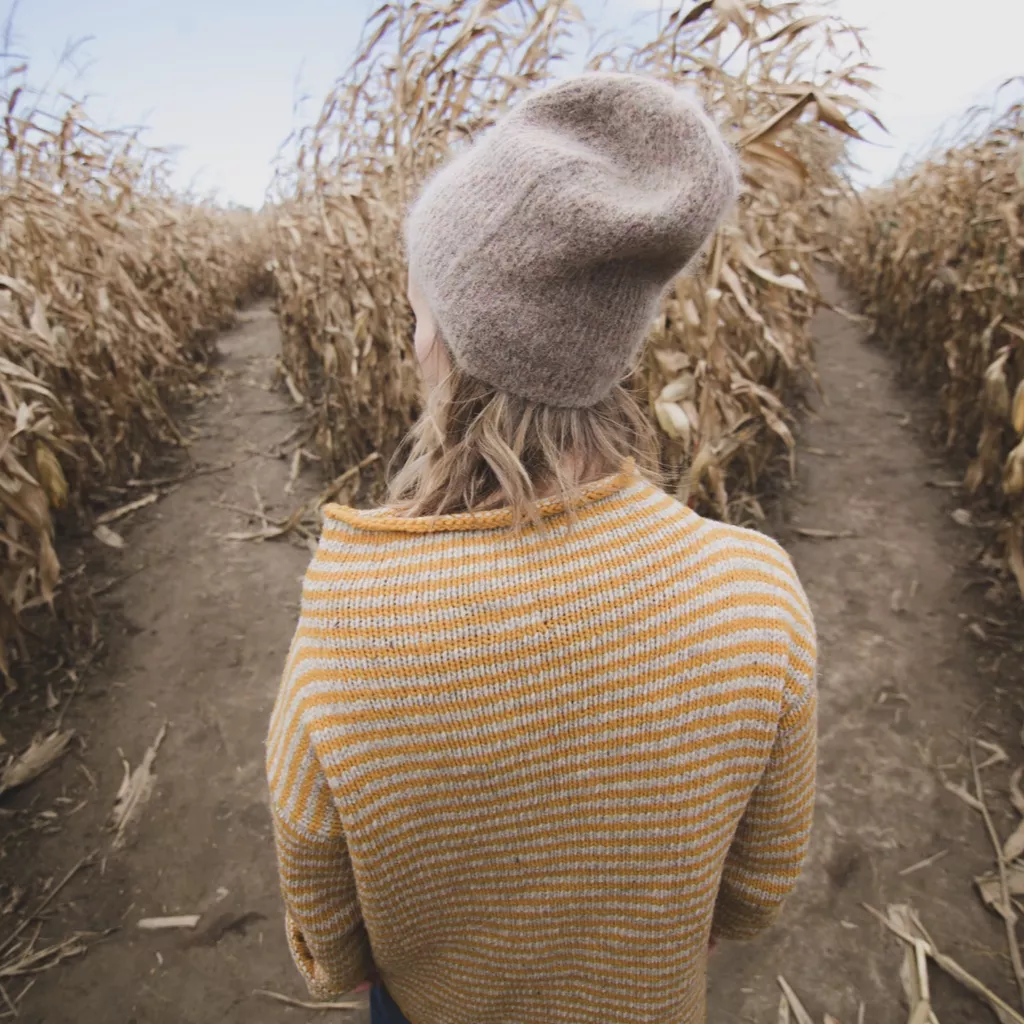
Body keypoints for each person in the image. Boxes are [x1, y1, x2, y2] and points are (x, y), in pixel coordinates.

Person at [266, 72, 817, 1024]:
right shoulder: (756, 595)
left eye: (416, 309)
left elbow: (329, 942)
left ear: (447, 338)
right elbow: (757, 895)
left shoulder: (353, 625)